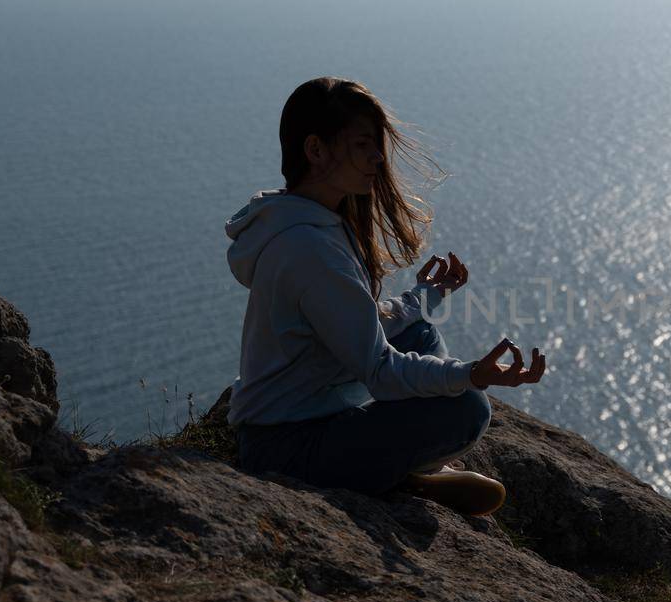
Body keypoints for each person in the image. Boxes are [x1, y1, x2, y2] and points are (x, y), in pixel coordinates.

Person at [224, 75, 546, 516]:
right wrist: (472, 374)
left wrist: (424, 297)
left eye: (376, 144)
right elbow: (379, 371)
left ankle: (398, 466)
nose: (378, 157)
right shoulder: (310, 250)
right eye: (362, 145)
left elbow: (364, 322)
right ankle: (404, 473)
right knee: (466, 409)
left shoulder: (303, 222)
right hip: (287, 450)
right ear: (315, 150)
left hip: (307, 415)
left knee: (419, 333)